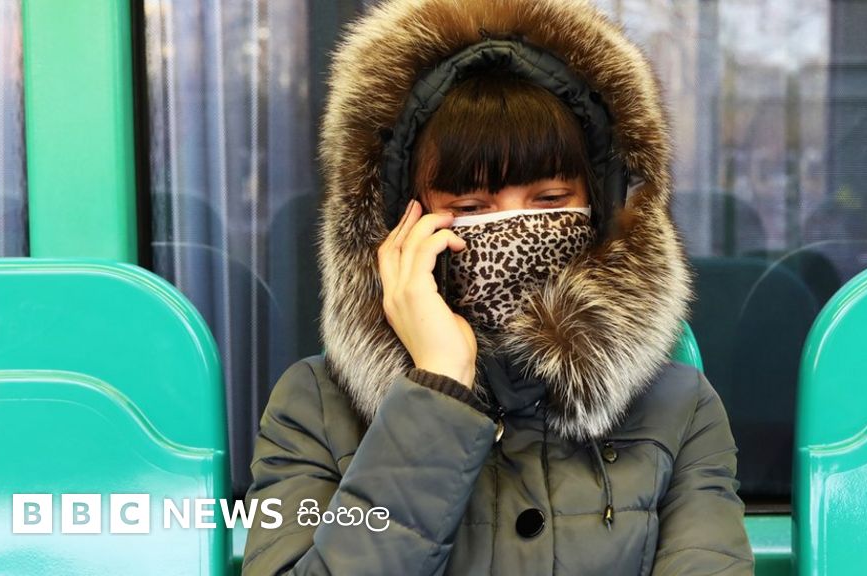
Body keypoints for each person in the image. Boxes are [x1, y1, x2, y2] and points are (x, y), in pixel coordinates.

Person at [242, 0, 754, 574]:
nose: (516, 228)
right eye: (469, 207)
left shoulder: (680, 409)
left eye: (550, 200)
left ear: (601, 209)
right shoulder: (314, 408)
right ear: (398, 226)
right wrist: (437, 388)